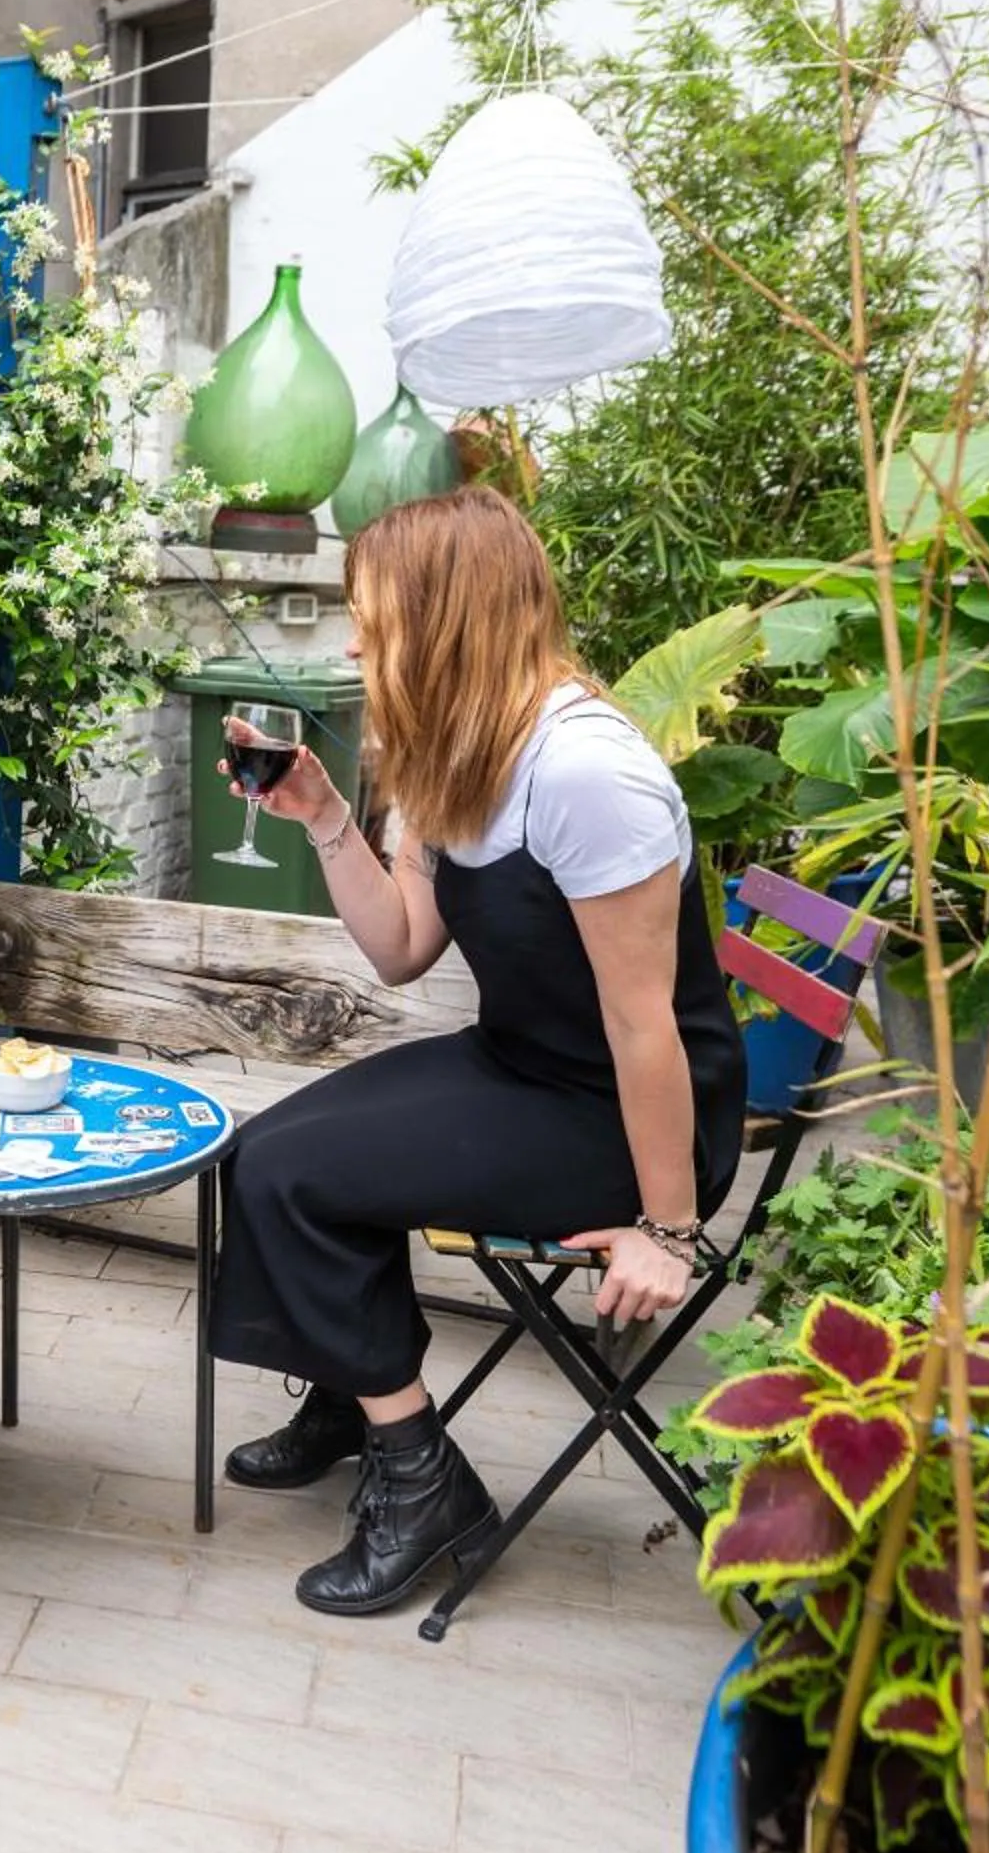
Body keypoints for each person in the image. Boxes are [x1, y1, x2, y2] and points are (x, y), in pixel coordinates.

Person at [207, 486, 745, 1617]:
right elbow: (401, 947)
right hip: (524, 1066)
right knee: (261, 1149)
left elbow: (647, 1025)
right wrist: (323, 816)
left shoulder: (588, 774)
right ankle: (360, 1389)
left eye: (371, 614)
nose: (354, 639)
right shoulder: (451, 748)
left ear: (445, 618)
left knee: (303, 1177)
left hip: (629, 1119)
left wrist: (670, 1229)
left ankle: (423, 1480)